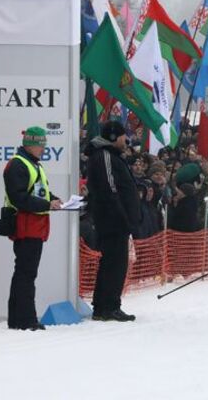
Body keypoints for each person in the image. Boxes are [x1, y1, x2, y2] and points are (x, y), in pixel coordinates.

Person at [3, 127, 62, 331]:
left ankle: (18, 319)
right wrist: (47, 205)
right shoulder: (19, 165)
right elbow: (19, 198)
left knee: (25, 273)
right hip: (26, 226)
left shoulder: (31, 164)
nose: (44, 148)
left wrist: (52, 199)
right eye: (41, 144)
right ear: (30, 144)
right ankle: (26, 319)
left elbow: (39, 191)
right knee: (26, 274)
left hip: (34, 226)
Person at [85, 121, 140, 322]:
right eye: (123, 136)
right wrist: (123, 216)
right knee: (114, 264)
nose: (126, 140)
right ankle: (109, 306)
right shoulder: (105, 156)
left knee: (114, 263)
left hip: (116, 220)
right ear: (113, 136)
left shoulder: (113, 156)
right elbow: (110, 189)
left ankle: (103, 305)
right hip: (112, 221)